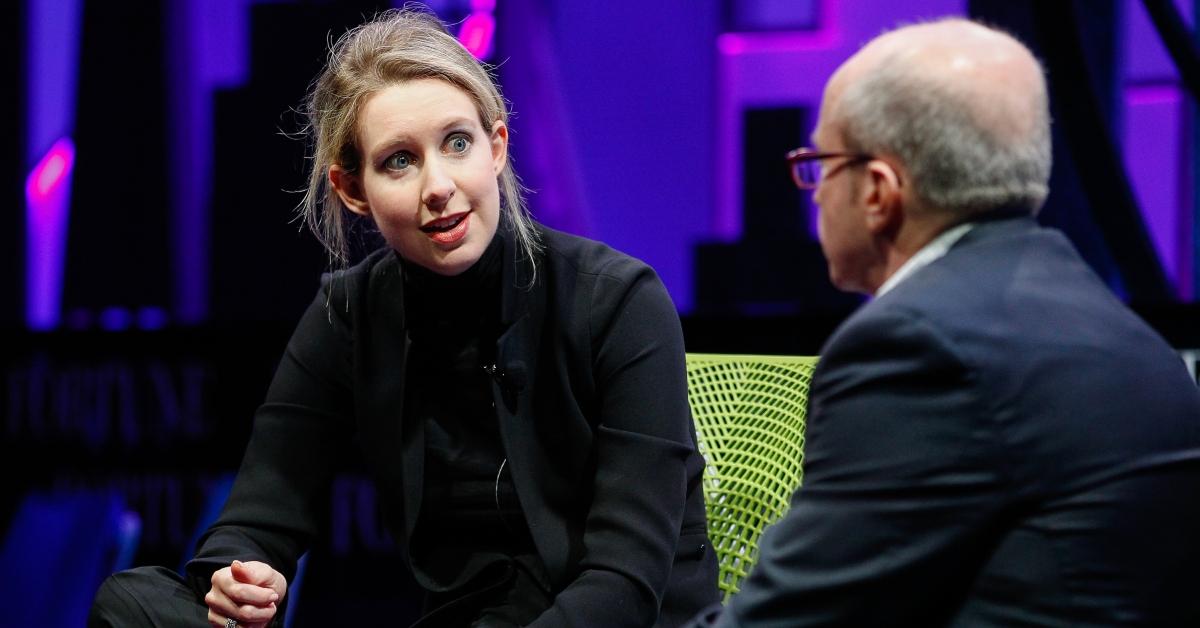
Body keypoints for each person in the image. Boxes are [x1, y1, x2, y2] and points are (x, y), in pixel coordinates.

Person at [92, 8, 718, 627]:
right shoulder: (349, 313)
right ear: (352, 190)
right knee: (132, 603)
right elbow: (260, 513)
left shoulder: (618, 300)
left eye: (457, 143)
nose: (437, 185)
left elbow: (626, 580)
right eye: (399, 160)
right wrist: (242, 575)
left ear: (496, 148)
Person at [688, 17, 1200, 627]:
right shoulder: (1126, 335)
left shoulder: (919, 347)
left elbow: (788, 620)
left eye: (818, 163)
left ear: (878, 191)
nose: (815, 192)